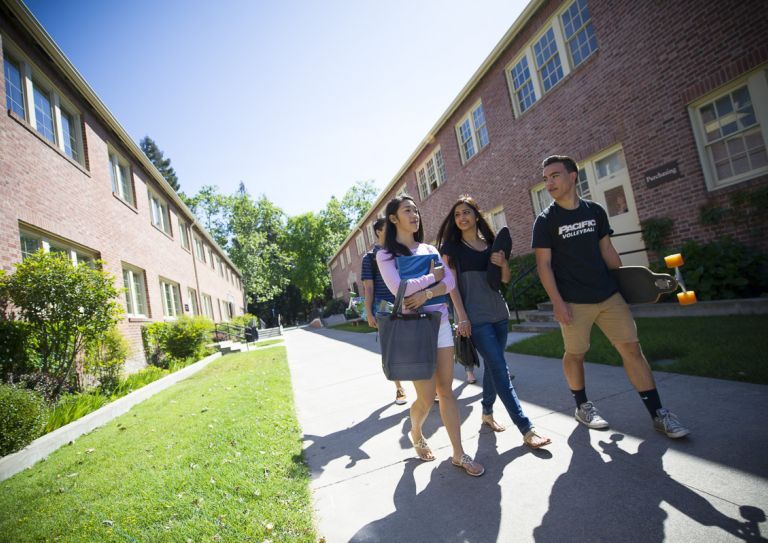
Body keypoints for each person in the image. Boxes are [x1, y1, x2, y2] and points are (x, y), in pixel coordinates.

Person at [532, 155, 689, 438]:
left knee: (632, 350)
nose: (549, 183)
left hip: (608, 294)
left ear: (572, 176)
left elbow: (607, 250)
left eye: (554, 175)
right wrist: (557, 302)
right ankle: (582, 406)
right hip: (573, 301)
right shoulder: (545, 221)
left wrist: (628, 285)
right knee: (576, 354)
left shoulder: (595, 211)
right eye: (545, 178)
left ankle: (658, 414)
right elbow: (543, 265)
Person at [376, 195, 485, 476]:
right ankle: (416, 432)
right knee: (425, 398)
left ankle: (459, 454)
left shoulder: (429, 248)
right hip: (413, 330)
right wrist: (431, 278)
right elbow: (399, 287)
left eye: (416, 210)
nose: (414, 215)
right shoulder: (385, 255)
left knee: (445, 391)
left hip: (439, 323)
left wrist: (427, 291)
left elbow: (449, 280)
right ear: (393, 218)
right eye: (407, 211)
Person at [436, 195, 551, 449]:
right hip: (476, 319)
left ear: (476, 215)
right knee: (500, 368)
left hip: (499, 313)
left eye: (466, 212)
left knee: (492, 365)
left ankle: (486, 412)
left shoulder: (490, 243)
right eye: (457, 215)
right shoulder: (450, 249)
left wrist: (503, 263)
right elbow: (451, 286)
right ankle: (526, 428)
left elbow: (504, 279)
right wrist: (462, 317)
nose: (461, 218)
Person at [362, 217, 407, 405]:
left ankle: (426, 385)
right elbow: (368, 288)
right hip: (382, 308)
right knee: (391, 349)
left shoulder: (399, 252)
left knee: (412, 344)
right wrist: (369, 313)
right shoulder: (369, 258)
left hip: (404, 303)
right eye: (389, 227)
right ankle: (399, 388)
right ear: (379, 231)